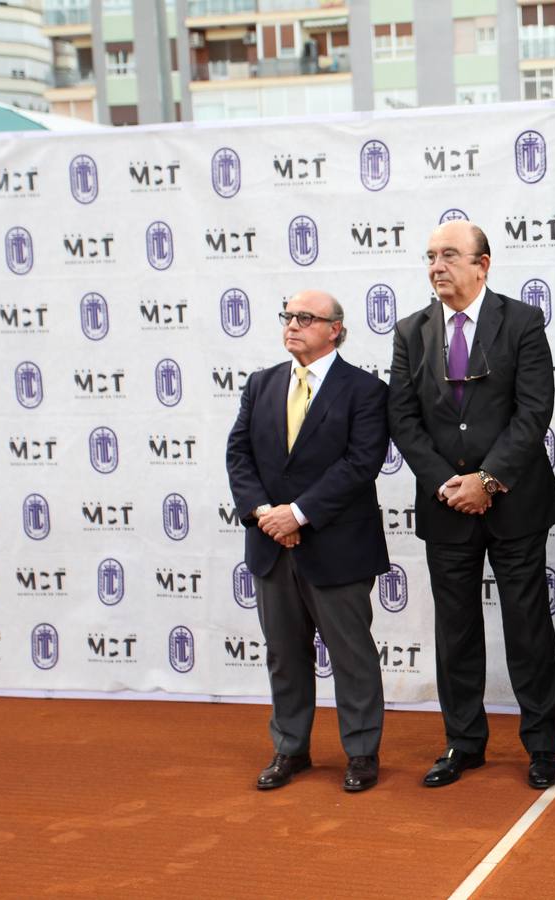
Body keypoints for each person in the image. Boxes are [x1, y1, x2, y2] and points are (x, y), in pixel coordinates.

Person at [387, 219, 555, 790]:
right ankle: (463, 743)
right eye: (430, 256)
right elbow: (403, 418)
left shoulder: (522, 320)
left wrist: (486, 480)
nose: (436, 266)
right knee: (456, 631)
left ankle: (541, 747)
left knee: (528, 628)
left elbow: (534, 409)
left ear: (482, 263)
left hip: (514, 504)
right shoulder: (410, 331)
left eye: (449, 255)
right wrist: (448, 482)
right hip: (445, 507)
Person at [226, 290, 389, 793]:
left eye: (306, 318)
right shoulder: (261, 384)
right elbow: (239, 454)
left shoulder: (365, 389)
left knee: (351, 655)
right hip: (273, 547)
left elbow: (361, 463)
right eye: (288, 316)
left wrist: (298, 514)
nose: (293, 325)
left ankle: (361, 752)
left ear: (335, 328)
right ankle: (290, 747)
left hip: (336, 546)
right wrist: (263, 514)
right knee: (284, 654)